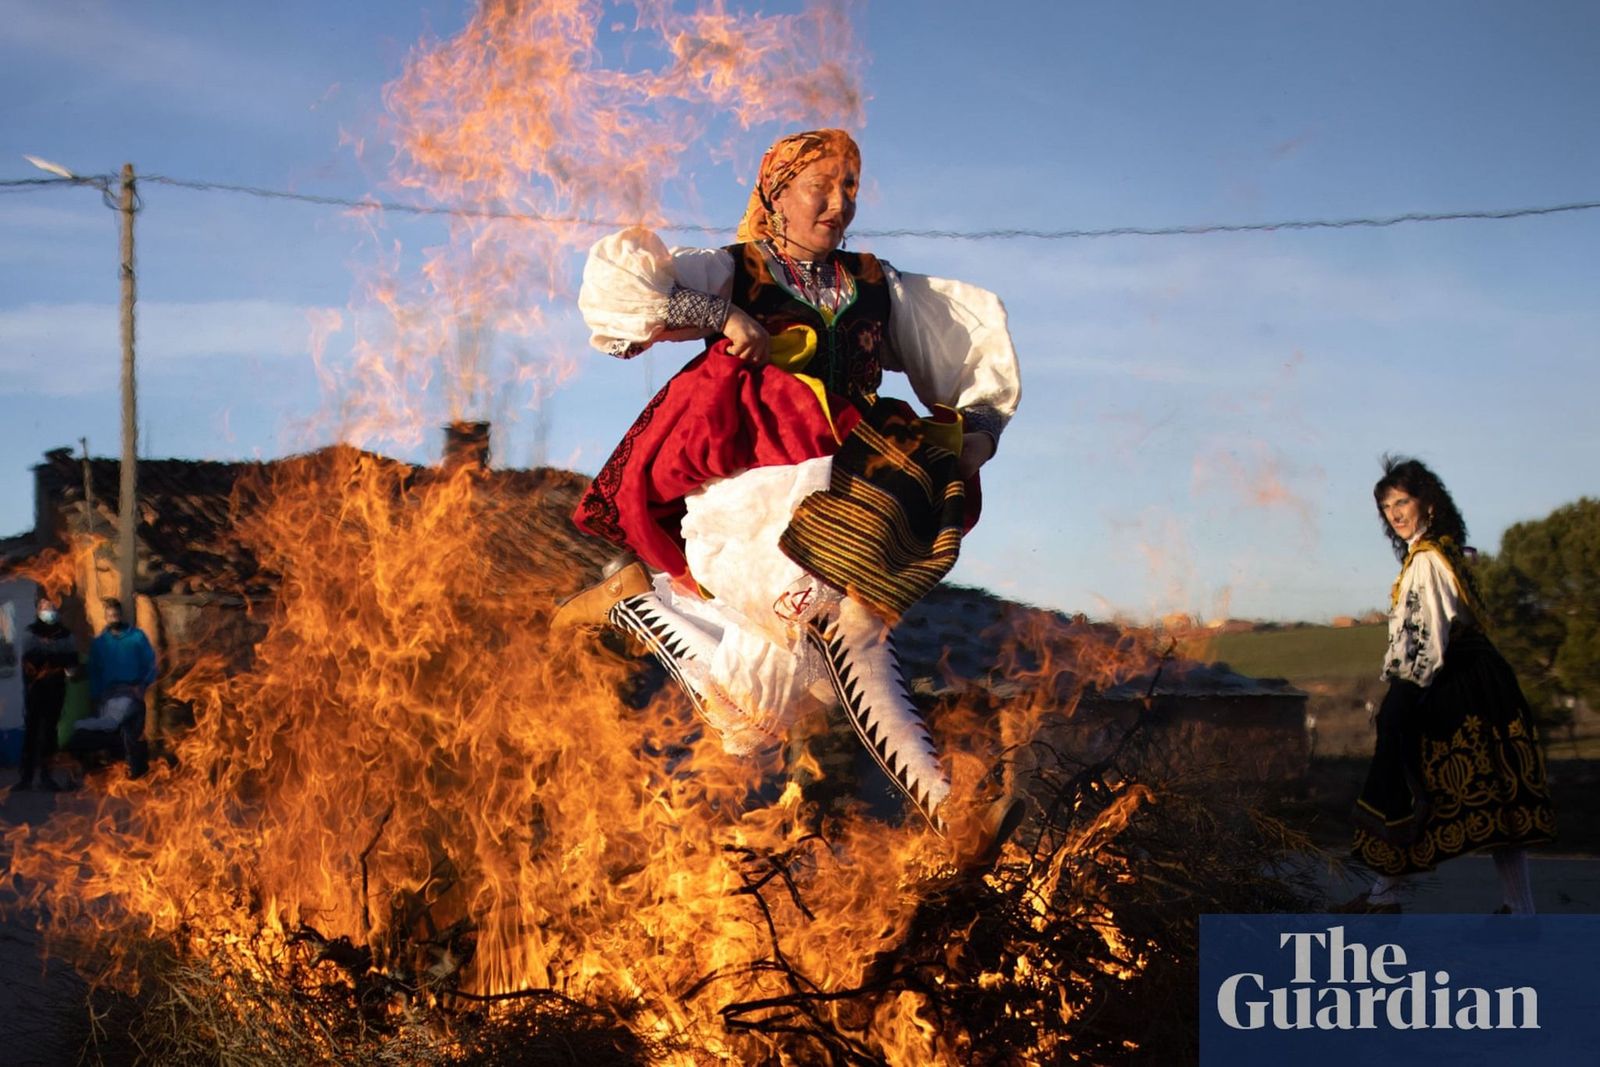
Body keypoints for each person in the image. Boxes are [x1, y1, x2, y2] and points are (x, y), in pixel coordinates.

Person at [554, 129, 1023, 861]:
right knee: (815, 656)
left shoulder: (874, 284)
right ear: (775, 192)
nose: (838, 206)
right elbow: (622, 297)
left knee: (775, 695)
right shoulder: (733, 268)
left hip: (844, 486)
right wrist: (720, 316)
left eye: (850, 192)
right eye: (820, 188)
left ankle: (635, 602)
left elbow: (968, 354)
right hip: (755, 489)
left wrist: (973, 440)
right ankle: (949, 816)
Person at [1344, 457, 1555, 913]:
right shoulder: (1452, 552)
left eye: (1403, 501)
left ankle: (1388, 899)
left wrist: (1402, 696)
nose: (1395, 514)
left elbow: (1424, 639)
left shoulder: (1427, 561)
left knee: (1419, 784)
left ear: (1429, 504)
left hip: (1452, 683)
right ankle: (1514, 912)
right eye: (1386, 507)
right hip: (1483, 681)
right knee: (1493, 796)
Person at [73, 597, 157, 778]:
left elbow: (150, 664)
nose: (113, 619)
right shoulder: (100, 643)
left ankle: (136, 772)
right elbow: (95, 671)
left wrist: (142, 685)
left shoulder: (137, 637)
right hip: (108, 696)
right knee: (109, 733)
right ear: (106, 617)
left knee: (131, 733)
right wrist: (95, 696)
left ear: (121, 615)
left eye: (116, 615)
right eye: (110, 616)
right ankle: (111, 770)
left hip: (132, 692)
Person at [16, 592, 78, 791]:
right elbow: (30, 662)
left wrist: (53, 659)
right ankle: (26, 777)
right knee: (32, 734)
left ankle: (46, 776)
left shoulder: (66, 635)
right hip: (35, 692)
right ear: (38, 610)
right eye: (45, 608)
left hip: (56, 692)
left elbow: (72, 664)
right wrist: (56, 660)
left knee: (50, 735)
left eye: (51, 608)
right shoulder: (31, 633)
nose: (48, 612)